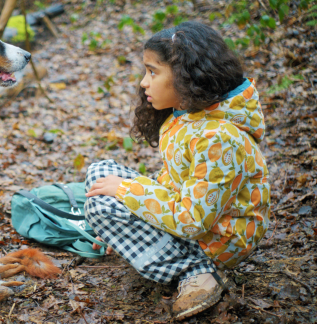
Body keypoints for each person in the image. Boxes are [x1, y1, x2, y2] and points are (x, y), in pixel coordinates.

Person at [84, 21, 270, 320]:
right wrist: (124, 216)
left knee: (102, 202)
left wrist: (125, 192)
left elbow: (193, 221)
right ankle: (171, 256)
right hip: (192, 219)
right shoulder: (186, 117)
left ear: (186, 77)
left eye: (153, 72)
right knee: (99, 173)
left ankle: (198, 273)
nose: (144, 82)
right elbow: (174, 183)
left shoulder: (219, 138)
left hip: (217, 242)